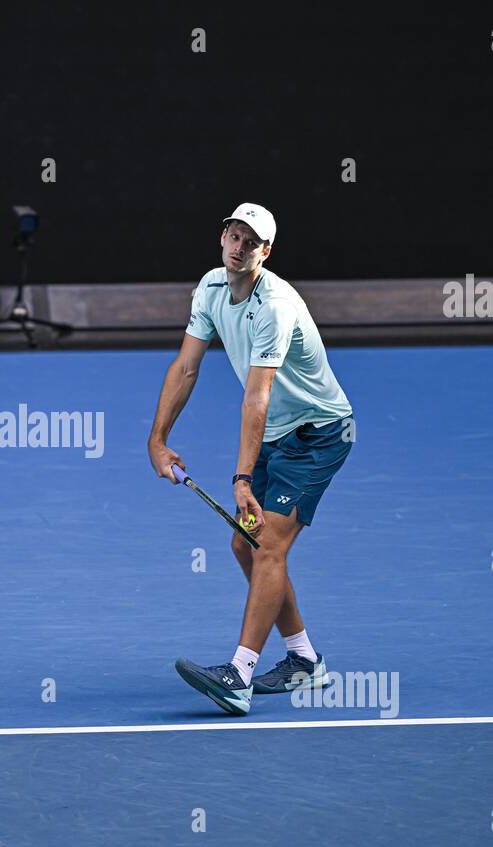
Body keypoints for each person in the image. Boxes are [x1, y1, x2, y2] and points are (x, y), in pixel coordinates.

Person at [147, 203, 355, 715]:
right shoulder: (210, 288)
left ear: (266, 252)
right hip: (277, 433)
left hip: (318, 434)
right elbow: (187, 367)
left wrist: (242, 478)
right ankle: (304, 661)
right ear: (222, 239)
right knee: (248, 547)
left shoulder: (276, 306)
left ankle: (238, 674)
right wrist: (158, 437)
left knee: (265, 545)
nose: (238, 247)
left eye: (251, 241)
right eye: (233, 236)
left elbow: (257, 395)